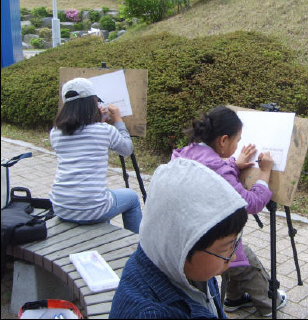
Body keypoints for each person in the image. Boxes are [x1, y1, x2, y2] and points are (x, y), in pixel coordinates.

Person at [171, 105, 287, 317]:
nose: (238, 146)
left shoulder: (186, 153)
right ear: (223, 140)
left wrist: (233, 163)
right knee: (240, 254)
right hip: (205, 241)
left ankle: (234, 299)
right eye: (237, 140)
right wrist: (265, 172)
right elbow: (252, 203)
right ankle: (270, 303)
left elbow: (213, 171)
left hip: (182, 232)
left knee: (236, 252)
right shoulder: (219, 169)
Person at [110, 158, 249, 318]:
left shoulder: (191, 270)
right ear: (181, 247)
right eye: (226, 249)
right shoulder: (150, 314)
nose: (233, 256)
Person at [49, 77, 142, 233]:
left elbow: (82, 137)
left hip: (61, 207)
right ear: (91, 103)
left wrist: (97, 120)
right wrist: (118, 121)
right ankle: (135, 245)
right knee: (132, 198)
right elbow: (126, 149)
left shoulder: (55, 132)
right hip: (93, 209)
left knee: (104, 196)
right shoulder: (103, 130)